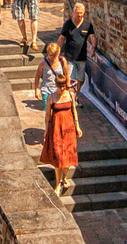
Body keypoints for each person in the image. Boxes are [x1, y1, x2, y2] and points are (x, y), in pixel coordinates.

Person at [39, 60, 81, 196]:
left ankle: (64, 178)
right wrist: (46, 130)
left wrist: (77, 126)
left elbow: (74, 111)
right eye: (60, 86)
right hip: (56, 127)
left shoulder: (70, 95)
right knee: (57, 154)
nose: (62, 88)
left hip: (68, 127)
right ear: (56, 85)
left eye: (64, 86)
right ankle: (58, 183)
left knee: (68, 154)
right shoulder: (51, 98)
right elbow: (47, 116)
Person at [58, 1, 95, 93]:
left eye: (81, 13)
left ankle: (77, 94)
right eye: (78, 13)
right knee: (70, 78)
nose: (79, 15)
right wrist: (57, 52)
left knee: (81, 79)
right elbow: (61, 38)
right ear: (73, 13)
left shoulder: (87, 25)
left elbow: (92, 37)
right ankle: (72, 98)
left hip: (82, 57)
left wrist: (93, 48)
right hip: (70, 56)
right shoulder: (68, 24)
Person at [32, 40, 72, 109]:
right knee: (48, 109)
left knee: (56, 108)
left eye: (55, 56)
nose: (53, 58)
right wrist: (37, 89)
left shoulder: (62, 61)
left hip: (58, 89)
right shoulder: (43, 62)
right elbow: (37, 76)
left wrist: (68, 87)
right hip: (46, 89)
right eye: (51, 55)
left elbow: (67, 74)